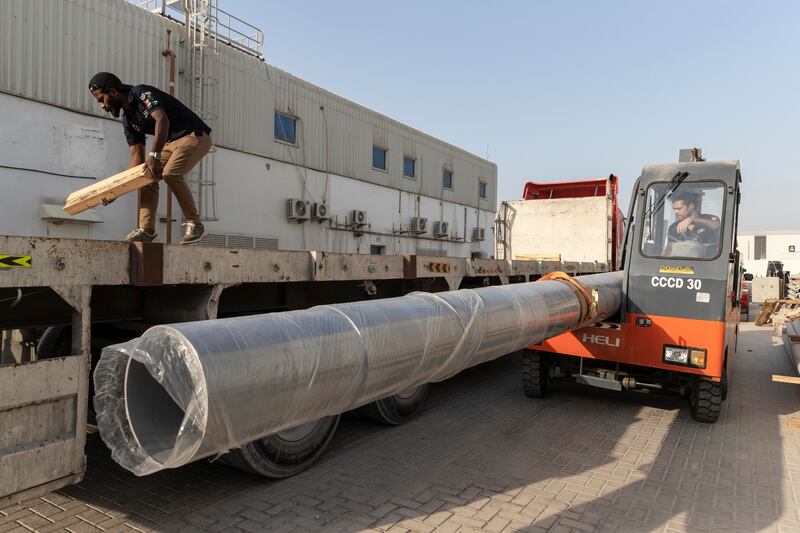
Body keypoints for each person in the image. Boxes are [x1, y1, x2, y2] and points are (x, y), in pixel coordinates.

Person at [88, 72, 211, 244]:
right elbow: (137, 159)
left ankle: (195, 224)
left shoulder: (141, 93)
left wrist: (154, 155)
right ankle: (146, 230)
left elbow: (162, 120)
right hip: (169, 143)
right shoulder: (128, 120)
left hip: (195, 135)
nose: (102, 106)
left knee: (170, 174)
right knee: (145, 174)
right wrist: (115, 189)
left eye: (102, 99)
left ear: (113, 92)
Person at [665, 191, 721, 257]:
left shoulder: (709, 218)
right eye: (674, 209)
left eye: (679, 209)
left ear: (691, 206)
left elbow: (716, 225)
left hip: (709, 263)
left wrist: (693, 220)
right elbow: (669, 251)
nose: (675, 212)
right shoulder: (673, 227)